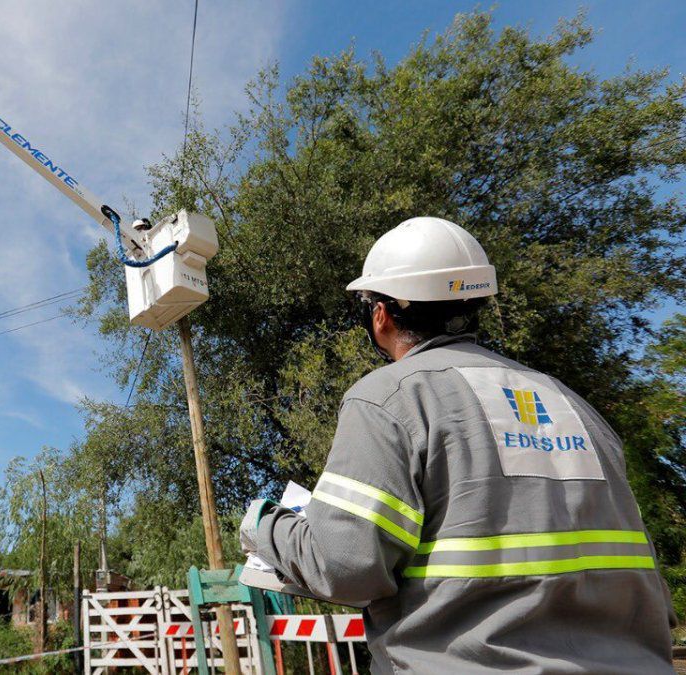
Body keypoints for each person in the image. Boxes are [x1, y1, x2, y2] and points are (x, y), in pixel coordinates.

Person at [243, 217, 676, 673]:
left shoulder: (390, 397)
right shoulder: (574, 405)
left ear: (381, 315)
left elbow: (345, 566)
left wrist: (262, 524)